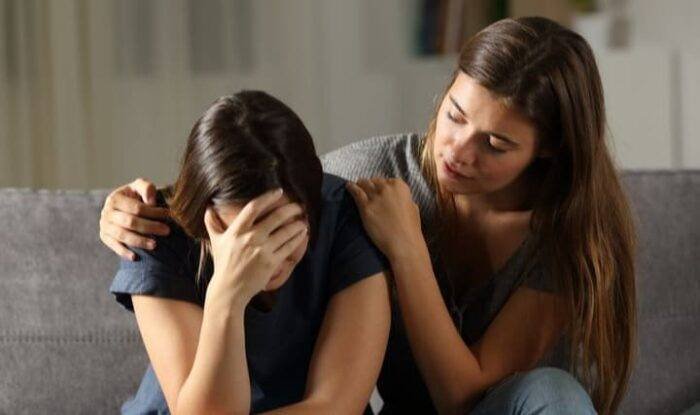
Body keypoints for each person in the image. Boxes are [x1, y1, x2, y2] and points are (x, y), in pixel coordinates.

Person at [100, 17, 636, 414]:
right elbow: (263, 175)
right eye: (454, 115)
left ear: (548, 150)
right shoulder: (367, 177)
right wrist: (125, 210)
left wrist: (407, 248)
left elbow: (462, 399)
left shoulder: (571, 239)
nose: (456, 150)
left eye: (495, 144)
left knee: (553, 391)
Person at [106, 90, 391, 414]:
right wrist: (227, 294)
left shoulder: (343, 216)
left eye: (282, 231)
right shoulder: (154, 231)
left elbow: (335, 406)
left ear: (311, 209)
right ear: (205, 220)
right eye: (242, 236)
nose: (264, 257)